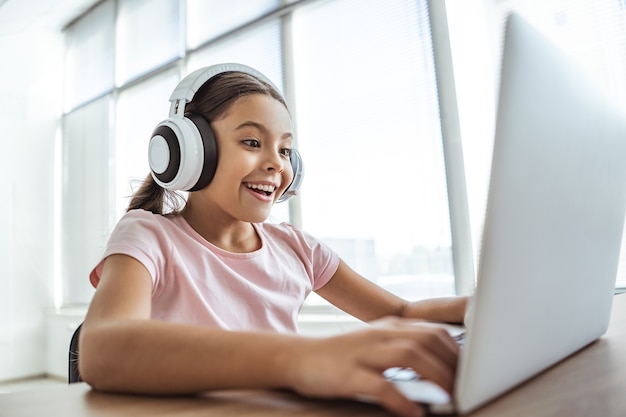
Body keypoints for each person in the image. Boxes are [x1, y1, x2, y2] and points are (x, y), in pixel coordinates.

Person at [80, 63, 469, 417]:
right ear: (190, 151)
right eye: (252, 142)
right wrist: (304, 358)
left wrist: (480, 306)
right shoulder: (147, 235)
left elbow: (400, 314)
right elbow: (102, 349)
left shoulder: (297, 249)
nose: (276, 164)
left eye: (285, 149)